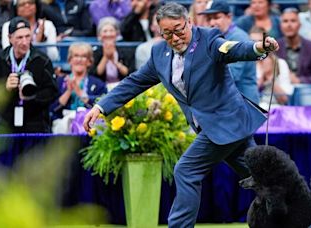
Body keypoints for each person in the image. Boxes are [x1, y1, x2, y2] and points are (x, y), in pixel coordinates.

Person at [83, 3, 279, 227]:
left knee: (186, 170)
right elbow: (134, 82)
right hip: (222, 126)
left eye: (179, 29)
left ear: (190, 22)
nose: (174, 37)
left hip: (224, 122)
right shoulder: (159, 53)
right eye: (167, 33)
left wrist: (258, 47)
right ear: (159, 32)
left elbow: (232, 49)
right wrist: (101, 107)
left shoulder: (209, 39)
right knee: (266, 180)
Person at [0, 17, 58, 133]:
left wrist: (32, 96)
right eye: (19, 38)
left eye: (28, 36)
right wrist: (4, 88)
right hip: (6, 125)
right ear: (10, 38)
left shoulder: (42, 60)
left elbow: (52, 92)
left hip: (35, 124)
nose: (25, 42)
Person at [200, 1, 260, 103]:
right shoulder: (215, 38)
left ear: (229, 17)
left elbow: (233, 74)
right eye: (209, 19)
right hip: (229, 101)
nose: (212, 23)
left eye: (216, 17)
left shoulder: (238, 37)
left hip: (245, 102)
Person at [51, 42, 107, 121]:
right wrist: (68, 91)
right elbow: (52, 109)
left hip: (89, 123)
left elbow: (102, 107)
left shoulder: (98, 84)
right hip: (63, 123)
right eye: (76, 56)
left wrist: (80, 93)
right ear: (70, 60)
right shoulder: (59, 81)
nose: (79, 59)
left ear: (89, 62)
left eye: (84, 56)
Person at [276, 7, 311, 84]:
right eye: (285, 21)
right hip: (280, 90)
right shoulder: (274, 47)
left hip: (306, 91)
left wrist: (299, 81)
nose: (289, 25)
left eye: (293, 21)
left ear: (300, 25)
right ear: (280, 26)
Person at [90, 17, 134, 89]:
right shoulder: (94, 52)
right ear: (99, 35)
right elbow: (96, 74)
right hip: (101, 87)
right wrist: (106, 57)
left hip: (122, 87)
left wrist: (115, 62)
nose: (108, 34)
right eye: (105, 31)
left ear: (116, 34)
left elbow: (128, 73)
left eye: (111, 31)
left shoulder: (126, 51)